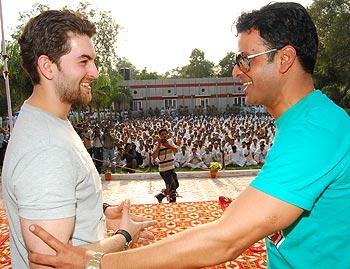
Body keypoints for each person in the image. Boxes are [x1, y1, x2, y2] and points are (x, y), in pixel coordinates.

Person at [29, 2, 350, 268]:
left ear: (284, 59)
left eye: (245, 60)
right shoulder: (303, 124)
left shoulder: (316, 132)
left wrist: (96, 263)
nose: (236, 71)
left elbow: (224, 239)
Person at [1, 10, 156, 269]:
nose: (94, 72)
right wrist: (124, 237)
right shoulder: (47, 150)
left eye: (93, 61)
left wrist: (100, 214)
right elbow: (49, 263)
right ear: (47, 67)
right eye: (83, 61)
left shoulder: (51, 121)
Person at [152, 128, 180, 203]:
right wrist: (159, 145)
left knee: (176, 184)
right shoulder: (156, 144)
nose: (164, 136)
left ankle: (161, 195)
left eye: (165, 134)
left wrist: (168, 145)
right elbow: (154, 156)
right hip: (164, 169)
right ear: (159, 136)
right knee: (172, 186)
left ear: (167, 134)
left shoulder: (170, 141)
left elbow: (176, 150)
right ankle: (172, 202)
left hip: (171, 167)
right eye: (162, 134)